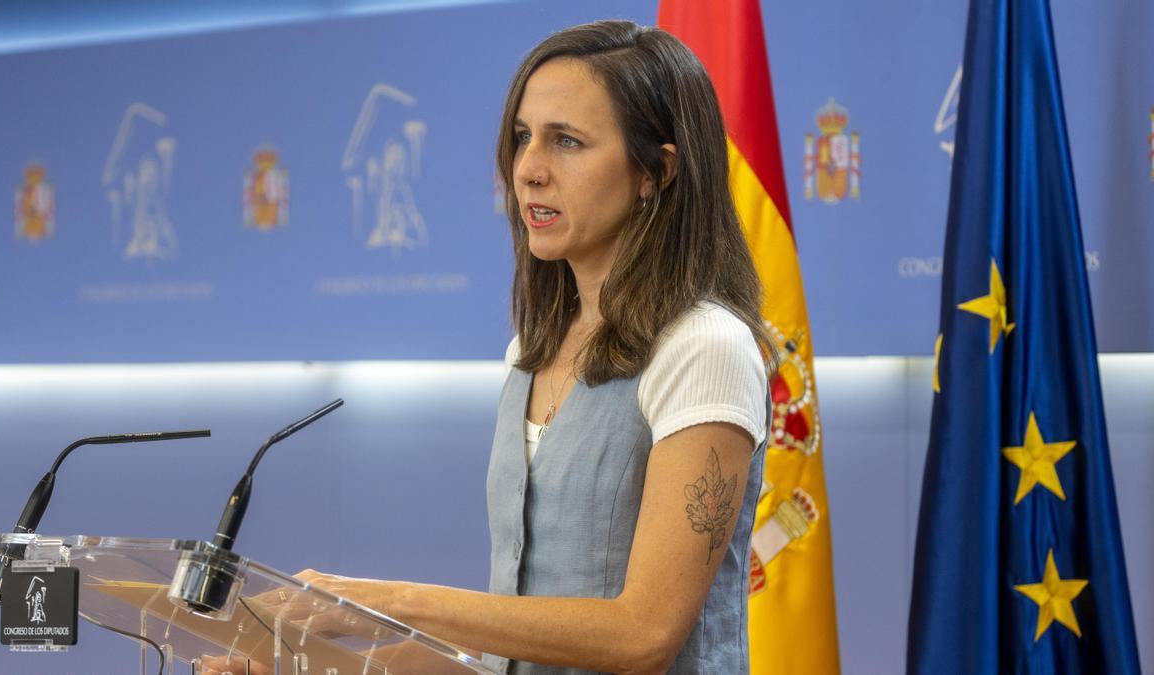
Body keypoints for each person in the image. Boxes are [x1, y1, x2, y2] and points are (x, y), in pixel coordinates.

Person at [206, 19, 773, 675]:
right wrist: (300, 664)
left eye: (567, 141)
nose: (528, 169)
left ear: (657, 171)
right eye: (522, 137)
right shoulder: (530, 352)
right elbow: (509, 649)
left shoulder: (705, 347)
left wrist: (389, 602)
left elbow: (642, 634)